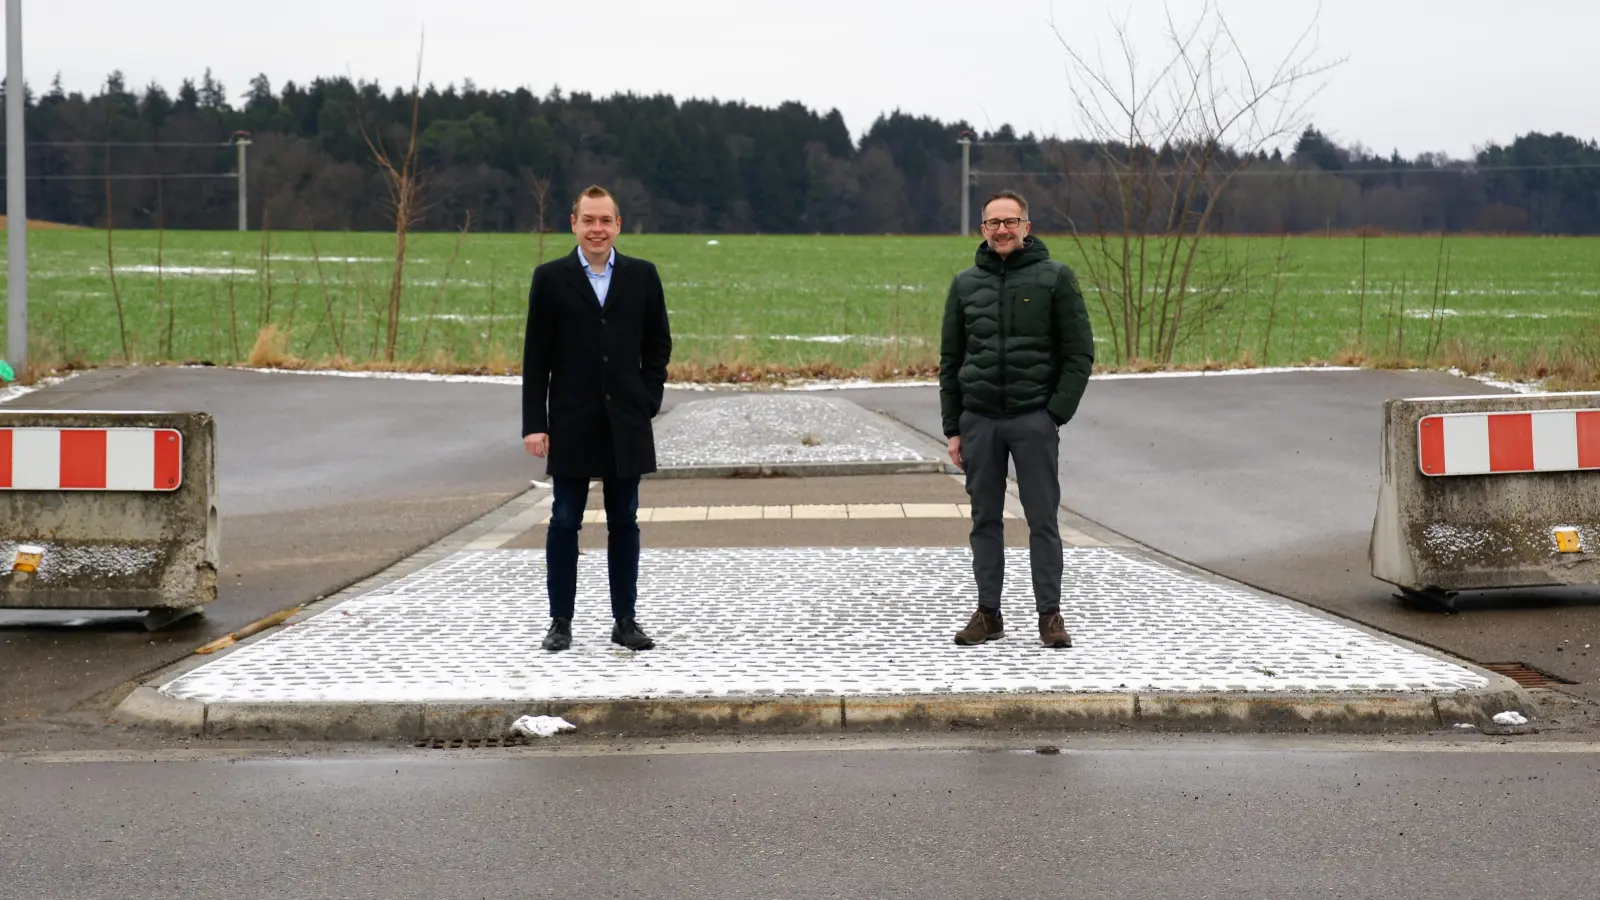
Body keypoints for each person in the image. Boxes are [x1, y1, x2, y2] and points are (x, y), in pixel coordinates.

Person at [939, 189, 1095, 648]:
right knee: (984, 520)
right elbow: (951, 359)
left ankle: (1050, 616)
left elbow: (1079, 353)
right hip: (980, 421)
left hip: (1033, 420)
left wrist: (1054, 415)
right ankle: (988, 614)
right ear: (983, 230)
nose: (1002, 230)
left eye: (1010, 222)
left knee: (1042, 519)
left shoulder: (1055, 279)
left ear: (1027, 227)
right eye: (993, 223)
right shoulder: (965, 285)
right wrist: (954, 427)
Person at [522, 184, 672, 652]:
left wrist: (647, 400)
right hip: (570, 421)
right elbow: (536, 358)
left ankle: (625, 621)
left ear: (618, 225)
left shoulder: (643, 277)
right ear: (574, 224)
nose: (597, 229)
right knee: (564, 520)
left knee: (624, 520)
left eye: (605, 220)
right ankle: (560, 622)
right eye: (588, 220)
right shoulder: (550, 279)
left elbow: (658, 346)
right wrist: (534, 422)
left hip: (626, 422)